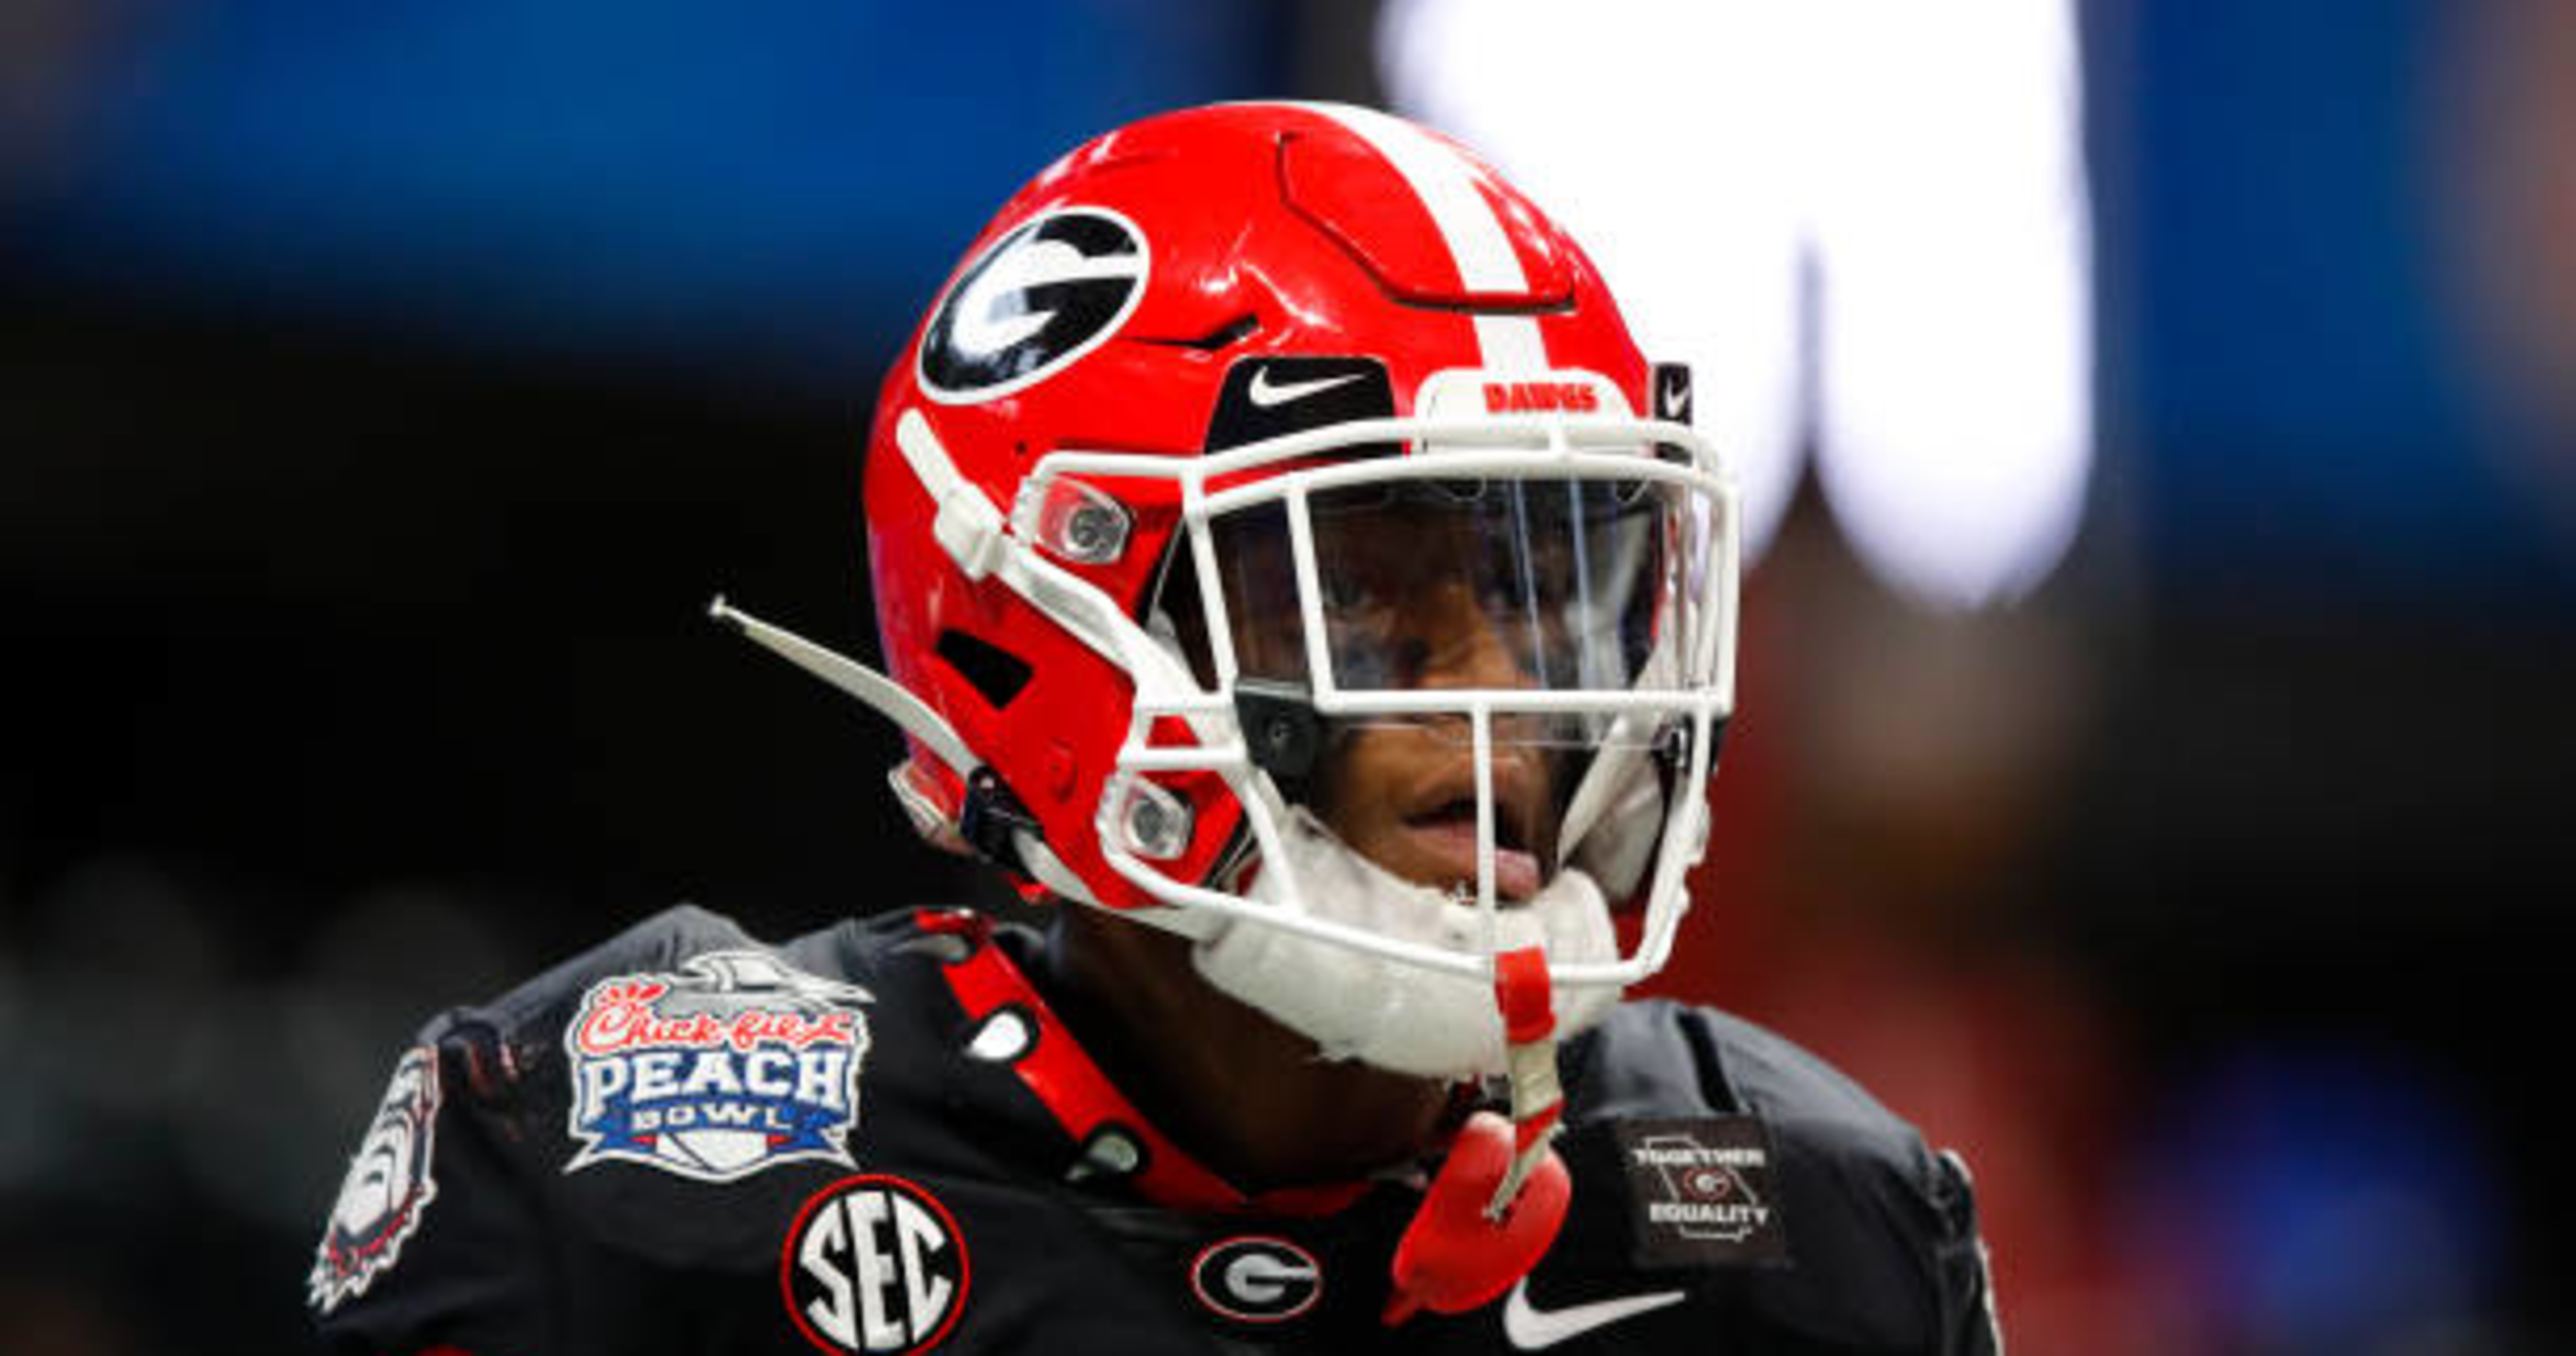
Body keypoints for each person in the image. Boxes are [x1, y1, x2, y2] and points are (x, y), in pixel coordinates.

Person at [307, 102, 2000, 1355]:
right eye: (1360, 603)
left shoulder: (1819, 1224)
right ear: (1044, 624)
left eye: (1540, 590)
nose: (1505, 708)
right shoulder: (627, 1168)